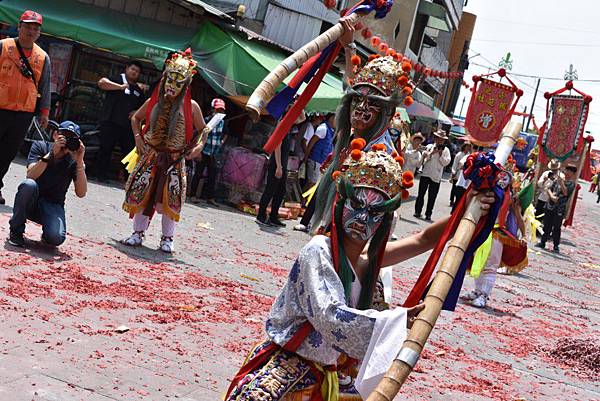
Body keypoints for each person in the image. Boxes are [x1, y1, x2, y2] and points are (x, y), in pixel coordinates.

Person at [225, 143, 496, 400]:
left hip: (333, 371)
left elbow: (423, 240)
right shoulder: (318, 250)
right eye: (357, 206)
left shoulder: (368, 263)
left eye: (375, 212)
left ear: (384, 222)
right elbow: (329, 315)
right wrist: (397, 321)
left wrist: (465, 211)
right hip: (292, 363)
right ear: (341, 205)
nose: (362, 219)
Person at [121, 49, 207, 253]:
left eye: (178, 83)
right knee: (142, 192)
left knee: (171, 197)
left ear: (185, 85)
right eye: (169, 81)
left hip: (175, 159)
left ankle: (167, 238)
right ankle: (137, 233)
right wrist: (138, 139)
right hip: (150, 154)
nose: (172, 86)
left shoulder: (192, 106)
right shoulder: (154, 101)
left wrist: (199, 146)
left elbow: (204, 129)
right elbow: (135, 118)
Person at [8, 121, 87, 247]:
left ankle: (48, 234)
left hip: (53, 204)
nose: (66, 140)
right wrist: (51, 154)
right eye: (64, 136)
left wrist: (79, 162)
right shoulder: (40, 146)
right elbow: (31, 175)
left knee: (56, 238)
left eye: (71, 138)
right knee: (28, 185)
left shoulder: (74, 160)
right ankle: (16, 231)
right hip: (31, 199)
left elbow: (81, 193)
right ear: (55, 135)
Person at [0, 10, 51, 205]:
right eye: (28, 26)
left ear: (39, 33)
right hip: (0, 107)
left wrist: (44, 112)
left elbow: (45, 86)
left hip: (23, 114)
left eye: (35, 28)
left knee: (8, 153)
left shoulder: (42, 57)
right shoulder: (4, 46)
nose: (31, 31)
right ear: (19, 26)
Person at [95, 60, 147, 182]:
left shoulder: (138, 89)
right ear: (127, 68)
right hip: (110, 122)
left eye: (137, 71)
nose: (134, 72)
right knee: (105, 149)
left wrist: (136, 111)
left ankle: (128, 179)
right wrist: (120, 87)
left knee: (128, 152)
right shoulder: (116, 79)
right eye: (132, 69)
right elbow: (101, 83)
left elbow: (144, 106)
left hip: (127, 127)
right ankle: (100, 175)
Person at [256, 119, 303, 228]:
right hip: (276, 164)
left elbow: (302, 118)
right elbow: (277, 147)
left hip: (282, 165)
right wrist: (279, 167)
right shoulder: (282, 127)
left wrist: (298, 103)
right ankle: (261, 216)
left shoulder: (289, 128)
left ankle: (273, 217)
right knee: (270, 190)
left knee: (281, 192)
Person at [189, 98, 228, 206]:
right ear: (212, 110)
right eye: (218, 110)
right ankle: (192, 195)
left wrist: (222, 142)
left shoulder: (223, 123)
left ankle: (210, 197)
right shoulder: (206, 120)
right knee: (198, 173)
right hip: (204, 150)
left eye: (222, 110)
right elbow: (199, 134)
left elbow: (226, 134)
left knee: (213, 175)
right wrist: (198, 151)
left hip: (214, 153)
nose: (220, 112)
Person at [536, 164, 577, 253]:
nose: (567, 173)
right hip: (550, 205)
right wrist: (551, 196)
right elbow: (549, 188)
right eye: (567, 170)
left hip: (559, 209)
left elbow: (565, 192)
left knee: (556, 227)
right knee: (546, 225)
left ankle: (556, 246)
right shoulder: (556, 180)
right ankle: (543, 242)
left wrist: (561, 182)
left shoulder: (571, 184)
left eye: (570, 171)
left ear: (573, 173)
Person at [414, 130, 451, 221]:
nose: (440, 141)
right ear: (436, 138)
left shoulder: (446, 150)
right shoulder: (429, 147)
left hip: (436, 176)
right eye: (439, 139)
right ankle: (418, 211)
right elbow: (424, 159)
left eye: (442, 140)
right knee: (421, 194)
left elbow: (446, 163)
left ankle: (428, 214)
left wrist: (441, 154)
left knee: (432, 196)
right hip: (426, 173)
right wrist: (432, 153)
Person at [449, 142, 472, 207]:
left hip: (463, 175)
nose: (468, 148)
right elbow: (455, 164)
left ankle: (457, 201)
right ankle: (451, 200)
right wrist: (453, 172)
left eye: (469, 146)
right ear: (464, 146)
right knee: (454, 188)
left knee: (460, 190)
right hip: (457, 173)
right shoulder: (459, 154)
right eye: (466, 146)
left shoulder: (469, 155)